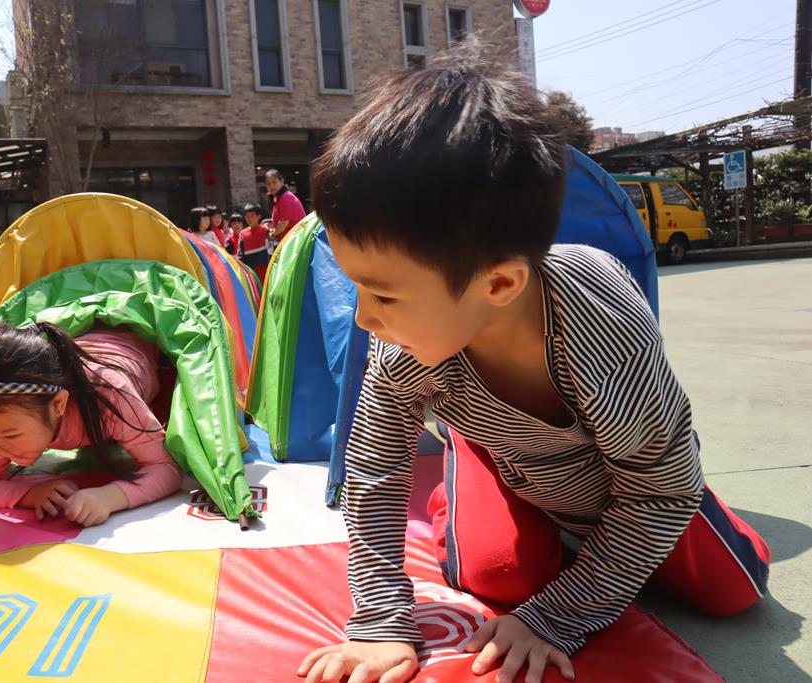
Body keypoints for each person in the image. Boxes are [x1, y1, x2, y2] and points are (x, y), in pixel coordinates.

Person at [297, 41, 769, 683]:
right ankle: (472, 468)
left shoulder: (597, 326)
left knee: (734, 590)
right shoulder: (405, 346)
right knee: (496, 576)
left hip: (626, 479)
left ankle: (644, 523)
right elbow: (375, 475)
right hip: (506, 460)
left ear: (498, 284)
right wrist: (381, 620)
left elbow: (659, 494)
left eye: (383, 294)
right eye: (357, 288)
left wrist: (556, 617)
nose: (363, 318)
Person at [0, 322, 183, 527]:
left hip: (136, 349)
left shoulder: (111, 394)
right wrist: (29, 493)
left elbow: (166, 467)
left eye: (10, 436)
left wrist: (111, 497)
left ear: (58, 404)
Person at [265, 168, 305, 244]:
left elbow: (283, 224)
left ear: (281, 181)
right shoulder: (278, 198)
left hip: (296, 241)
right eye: (268, 184)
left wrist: (272, 234)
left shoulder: (285, 198)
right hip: (291, 240)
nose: (271, 186)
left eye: (274, 182)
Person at [238, 203, 271, 284]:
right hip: (251, 274)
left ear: (259, 216)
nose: (249, 219)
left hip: (266, 272)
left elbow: (271, 251)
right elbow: (240, 256)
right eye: (247, 216)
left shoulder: (265, 231)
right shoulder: (243, 234)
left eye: (252, 216)